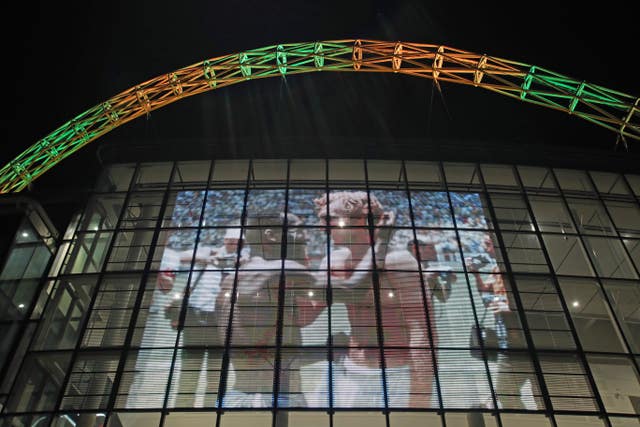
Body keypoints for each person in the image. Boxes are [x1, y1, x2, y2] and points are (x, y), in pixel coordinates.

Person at [312, 191, 437, 408]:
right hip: (349, 370)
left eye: (331, 219)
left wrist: (420, 399)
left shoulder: (399, 262)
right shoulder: (333, 261)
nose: (322, 228)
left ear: (364, 220)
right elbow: (305, 317)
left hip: (393, 374)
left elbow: (422, 333)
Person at [216, 211, 323, 408]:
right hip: (275, 399)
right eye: (298, 230)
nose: (305, 236)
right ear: (271, 235)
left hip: (237, 397)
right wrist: (381, 243)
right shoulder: (283, 268)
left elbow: (259, 355)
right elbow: (353, 290)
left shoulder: (231, 280)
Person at [157, 225, 248, 407]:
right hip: (195, 314)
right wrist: (205, 258)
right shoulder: (207, 252)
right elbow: (179, 256)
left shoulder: (243, 261)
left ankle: (208, 409)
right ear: (224, 240)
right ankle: (182, 407)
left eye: (237, 241)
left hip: (219, 319)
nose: (232, 243)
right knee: (190, 369)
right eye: (230, 239)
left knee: (215, 372)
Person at [466, 233, 535, 410]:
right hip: (510, 343)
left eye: (488, 244)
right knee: (509, 393)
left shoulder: (515, 269)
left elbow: (535, 298)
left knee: (511, 393)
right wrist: (475, 275)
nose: (485, 248)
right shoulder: (496, 269)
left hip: (522, 342)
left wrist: (507, 307)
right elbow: (485, 291)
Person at [408, 234, 457, 304]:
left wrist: (447, 278)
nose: (434, 252)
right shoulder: (405, 266)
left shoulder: (431, 268)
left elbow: (443, 297)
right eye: (431, 248)